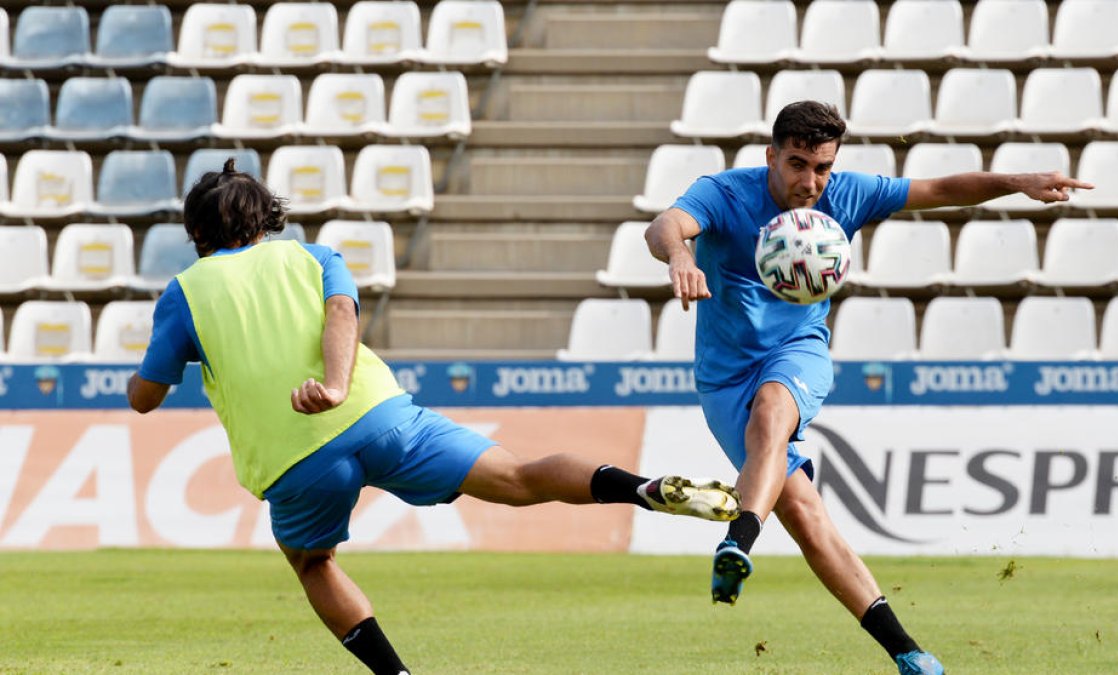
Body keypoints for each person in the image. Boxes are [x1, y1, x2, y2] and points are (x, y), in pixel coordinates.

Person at [126, 159, 741, 675]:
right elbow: (342, 313)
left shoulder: (186, 293)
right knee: (520, 477)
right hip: (380, 416)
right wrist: (337, 386)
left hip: (297, 459)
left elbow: (146, 396)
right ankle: (642, 488)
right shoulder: (313, 256)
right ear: (266, 219)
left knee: (314, 563)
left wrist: (151, 370)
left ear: (196, 230)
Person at [644, 101, 1094, 675]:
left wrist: (1018, 182)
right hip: (724, 378)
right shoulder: (724, 193)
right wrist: (681, 257)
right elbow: (663, 226)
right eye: (797, 164)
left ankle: (738, 540)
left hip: (796, 351)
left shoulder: (847, 194)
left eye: (822, 167)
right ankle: (908, 653)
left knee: (773, 411)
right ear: (771, 157)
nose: (810, 182)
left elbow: (940, 189)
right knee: (804, 514)